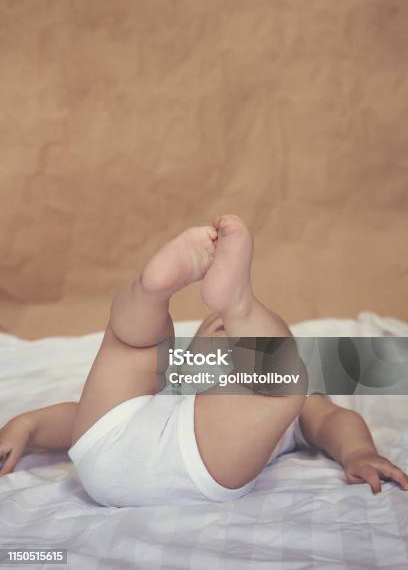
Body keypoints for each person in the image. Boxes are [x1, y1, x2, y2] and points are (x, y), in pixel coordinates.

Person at [1, 214, 407, 505]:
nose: (229, 340)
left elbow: (335, 419)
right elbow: (78, 417)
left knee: (280, 387)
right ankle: (153, 294)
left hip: (165, 462)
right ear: (190, 356)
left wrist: (357, 452)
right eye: (222, 331)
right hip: (110, 442)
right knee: (137, 348)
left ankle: (187, 299)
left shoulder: (290, 406)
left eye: (237, 333)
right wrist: (29, 426)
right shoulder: (176, 382)